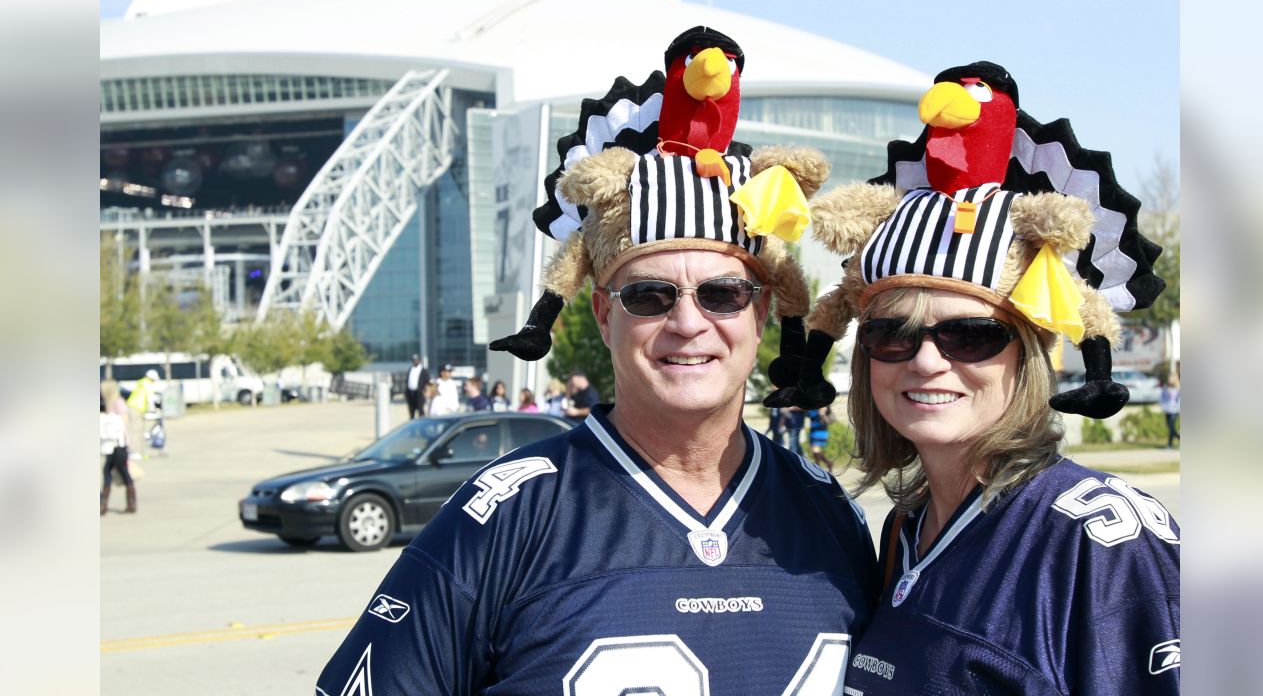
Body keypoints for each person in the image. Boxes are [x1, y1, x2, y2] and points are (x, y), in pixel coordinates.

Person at [318, 43, 878, 692]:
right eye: (649, 295)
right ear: (604, 314)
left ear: (762, 313)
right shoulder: (508, 515)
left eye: (722, 293)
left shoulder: (829, 513)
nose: (688, 322)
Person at [809, 63, 1177, 694]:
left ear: (1030, 350)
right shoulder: (906, 527)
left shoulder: (1106, 543)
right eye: (891, 333)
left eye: (971, 334)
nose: (926, 361)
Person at [100, 397, 135, 515]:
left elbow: (104, 434)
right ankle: (131, 504)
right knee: (122, 473)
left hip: (115, 448)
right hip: (121, 447)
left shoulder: (108, 417)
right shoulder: (117, 415)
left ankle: (103, 505)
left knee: (108, 473)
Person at [807, 406, 833, 470]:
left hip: (821, 430)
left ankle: (817, 467)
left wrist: (823, 415)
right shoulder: (810, 407)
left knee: (815, 449)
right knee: (814, 451)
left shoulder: (824, 406)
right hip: (813, 431)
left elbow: (828, 421)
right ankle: (828, 463)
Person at [1160, 372, 1180, 449]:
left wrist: (1178, 407)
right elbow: (1162, 397)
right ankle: (1176, 439)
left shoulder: (1179, 388)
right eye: (1169, 378)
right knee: (1169, 427)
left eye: (1171, 377)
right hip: (1167, 409)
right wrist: (1163, 406)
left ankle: (1170, 444)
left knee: (1171, 427)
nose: (1169, 379)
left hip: (1175, 410)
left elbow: (1179, 400)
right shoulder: (1166, 387)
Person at [404, 354, 427, 418]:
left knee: (420, 410)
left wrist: (423, 390)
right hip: (411, 392)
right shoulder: (411, 369)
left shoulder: (423, 370)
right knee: (411, 410)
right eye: (414, 360)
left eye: (416, 360)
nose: (415, 361)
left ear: (419, 360)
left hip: (419, 393)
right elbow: (407, 380)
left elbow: (426, 381)